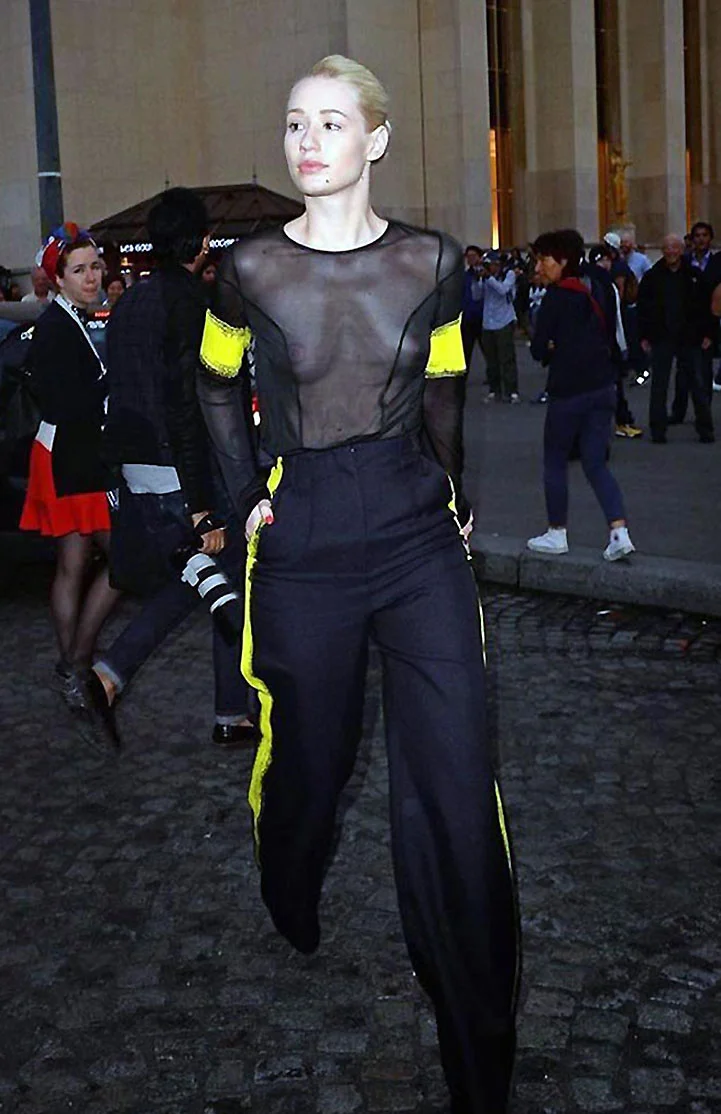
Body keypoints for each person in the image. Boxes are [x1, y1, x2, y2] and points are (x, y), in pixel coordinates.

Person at [197, 54, 518, 1114]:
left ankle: (477, 1046)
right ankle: (287, 873)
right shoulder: (246, 267)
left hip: (415, 532)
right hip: (305, 538)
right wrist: (245, 493)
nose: (308, 140)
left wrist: (455, 494)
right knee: (312, 759)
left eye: (331, 122)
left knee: (455, 778)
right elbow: (213, 380)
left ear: (375, 138)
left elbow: (445, 386)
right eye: (296, 122)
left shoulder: (433, 261)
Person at [85, 188, 255, 750]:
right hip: (182, 471)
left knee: (203, 581)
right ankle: (221, 709)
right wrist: (203, 504)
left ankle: (118, 677)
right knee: (224, 580)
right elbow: (188, 405)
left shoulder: (129, 302)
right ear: (202, 242)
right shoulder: (192, 305)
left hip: (139, 468)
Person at [19, 224, 120, 710]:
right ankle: (77, 662)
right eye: (79, 270)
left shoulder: (69, 319)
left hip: (69, 453)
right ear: (58, 279)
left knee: (74, 564)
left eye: (95, 266)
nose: (91, 277)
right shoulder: (58, 327)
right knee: (119, 561)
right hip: (70, 457)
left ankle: (73, 665)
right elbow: (66, 402)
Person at [527, 229, 635, 561]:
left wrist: (551, 347)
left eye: (544, 259)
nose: (539, 267)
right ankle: (618, 531)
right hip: (603, 385)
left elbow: (537, 348)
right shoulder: (598, 284)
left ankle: (557, 531)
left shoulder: (556, 297)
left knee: (555, 460)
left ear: (562, 260)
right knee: (595, 463)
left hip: (569, 390)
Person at [637, 233, 715, 443]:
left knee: (697, 383)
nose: (671, 252)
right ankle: (658, 429)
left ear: (681, 250)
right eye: (667, 248)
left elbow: (706, 307)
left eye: (674, 248)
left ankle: (705, 428)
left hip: (690, 336)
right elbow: (643, 308)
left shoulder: (695, 276)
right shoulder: (652, 277)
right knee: (659, 385)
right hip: (661, 336)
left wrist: (708, 333)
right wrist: (643, 336)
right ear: (663, 251)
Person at [588, 243, 642, 438]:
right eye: (602, 260)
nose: (606, 264)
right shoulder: (599, 284)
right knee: (612, 385)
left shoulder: (603, 282)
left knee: (612, 385)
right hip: (606, 342)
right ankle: (621, 421)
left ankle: (619, 420)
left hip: (609, 340)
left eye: (607, 259)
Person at [482, 249, 520, 402]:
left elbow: (503, 290)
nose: (493, 267)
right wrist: (479, 281)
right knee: (491, 360)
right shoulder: (486, 278)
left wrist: (489, 278)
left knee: (507, 358)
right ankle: (494, 389)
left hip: (504, 320)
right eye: (490, 264)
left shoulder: (509, 275)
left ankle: (512, 391)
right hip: (488, 322)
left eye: (495, 264)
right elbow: (476, 295)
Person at [460, 244, 485, 371]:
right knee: (465, 351)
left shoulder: (485, 274)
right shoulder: (465, 276)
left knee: (488, 350)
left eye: (473, 256)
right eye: (468, 256)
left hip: (483, 318)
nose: (470, 259)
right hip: (468, 317)